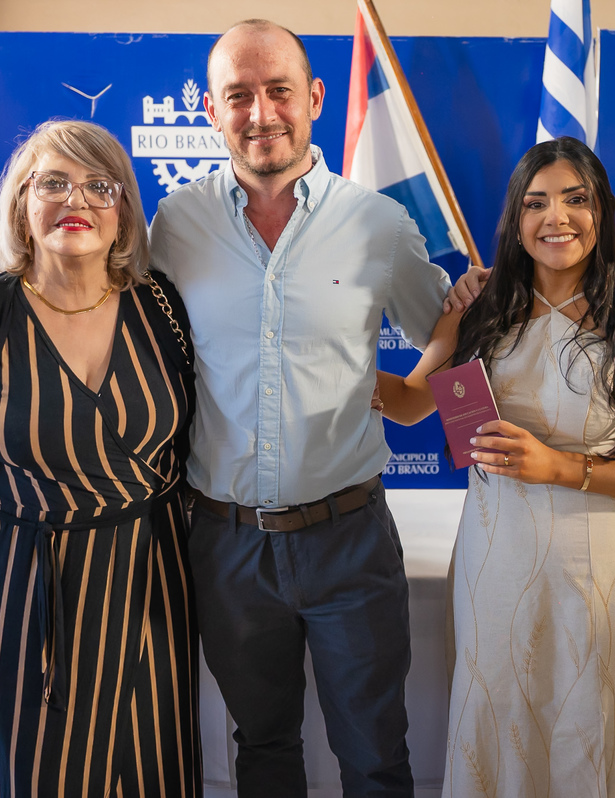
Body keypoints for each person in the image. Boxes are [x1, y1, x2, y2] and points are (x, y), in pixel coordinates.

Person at [146, 19, 457, 797]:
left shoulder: (378, 224)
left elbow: (446, 339)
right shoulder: (175, 226)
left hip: (349, 541)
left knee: (376, 755)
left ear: (314, 98)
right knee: (264, 749)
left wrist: (437, 408)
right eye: (238, 96)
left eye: (278, 90)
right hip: (226, 546)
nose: (261, 114)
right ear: (212, 112)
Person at [378, 137, 615, 797]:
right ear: (515, 222)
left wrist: (564, 468)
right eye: (537, 202)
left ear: (602, 212)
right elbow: (411, 404)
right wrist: (330, 359)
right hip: (496, 564)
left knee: (597, 731)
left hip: (601, 568)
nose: (557, 217)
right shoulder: (477, 310)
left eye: (576, 199)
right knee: (502, 730)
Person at [0, 119, 201, 797]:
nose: (78, 201)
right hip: (22, 592)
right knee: (32, 778)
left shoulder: (164, 308)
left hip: (152, 582)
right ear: (21, 205)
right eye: (54, 183)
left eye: (101, 186)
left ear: (124, 210)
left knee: (154, 772)